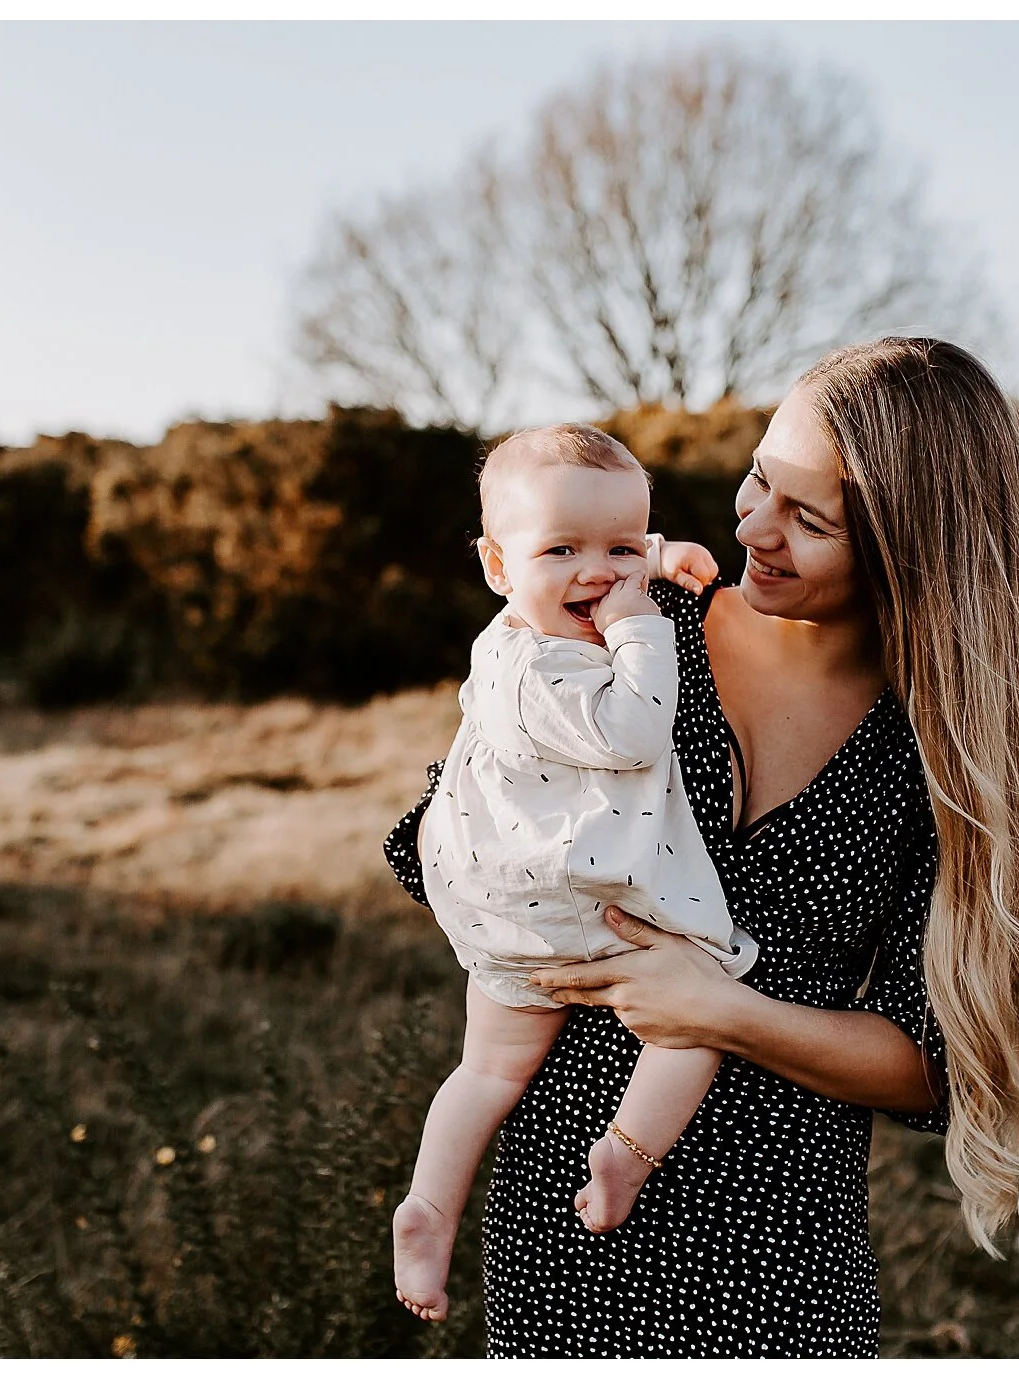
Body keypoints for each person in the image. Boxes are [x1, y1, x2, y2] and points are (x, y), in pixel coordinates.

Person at [384, 338, 1019, 1357]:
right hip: (562, 1212)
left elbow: (932, 1062)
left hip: (778, 1243)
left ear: (910, 548)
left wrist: (722, 1009)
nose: (753, 528)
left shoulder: (940, 745)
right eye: (758, 480)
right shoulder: (637, 626)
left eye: (806, 519)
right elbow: (426, 840)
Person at [391, 423, 747, 1324]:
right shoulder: (544, 667)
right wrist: (641, 625)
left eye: (623, 547)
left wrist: (660, 556)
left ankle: (430, 1208)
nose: (601, 575)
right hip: (573, 902)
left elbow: (595, 547)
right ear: (496, 565)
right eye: (564, 551)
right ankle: (628, 1148)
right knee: (700, 1010)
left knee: (486, 1071)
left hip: (497, 913)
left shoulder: (523, 620)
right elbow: (633, 730)